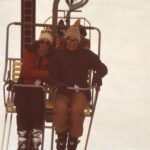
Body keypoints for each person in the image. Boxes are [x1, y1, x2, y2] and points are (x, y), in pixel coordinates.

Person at [48, 26, 108, 150]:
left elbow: (102, 67)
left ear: (78, 41)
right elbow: (50, 74)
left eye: (74, 40)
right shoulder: (59, 55)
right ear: (66, 40)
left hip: (80, 90)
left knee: (76, 110)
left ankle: (73, 139)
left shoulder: (86, 54)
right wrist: (57, 84)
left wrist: (97, 76)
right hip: (63, 89)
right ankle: (61, 135)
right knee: (60, 109)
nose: (71, 43)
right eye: (69, 40)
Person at [14, 28, 54, 150]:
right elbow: (26, 71)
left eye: (47, 43)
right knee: (23, 106)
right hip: (24, 85)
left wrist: (39, 75)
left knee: (37, 106)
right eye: (42, 41)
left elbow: (51, 72)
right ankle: (23, 137)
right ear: (39, 41)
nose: (44, 45)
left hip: (38, 87)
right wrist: (44, 74)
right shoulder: (29, 51)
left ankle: (36, 136)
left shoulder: (51, 56)